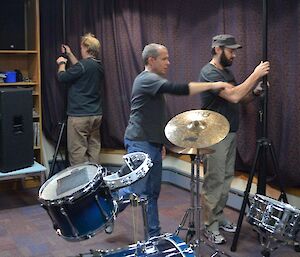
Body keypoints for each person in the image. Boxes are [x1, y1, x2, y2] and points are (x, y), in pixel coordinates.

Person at [119, 43, 232, 238]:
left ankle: (153, 235)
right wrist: (213, 84)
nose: (168, 63)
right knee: (136, 191)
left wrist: (161, 142)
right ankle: (109, 207)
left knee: (152, 193)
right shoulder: (146, 79)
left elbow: (156, 116)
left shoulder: (154, 81)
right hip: (139, 142)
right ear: (151, 60)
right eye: (164, 58)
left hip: (151, 143)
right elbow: (178, 88)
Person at [198, 34, 270, 244]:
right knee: (214, 181)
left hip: (228, 133)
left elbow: (241, 97)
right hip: (214, 136)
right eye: (231, 51)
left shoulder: (226, 72)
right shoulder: (209, 73)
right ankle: (209, 226)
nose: (234, 55)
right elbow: (234, 96)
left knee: (225, 178)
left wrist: (255, 92)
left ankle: (218, 217)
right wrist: (255, 74)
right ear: (218, 49)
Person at [56, 33, 104, 166]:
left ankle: (81, 184)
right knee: (94, 149)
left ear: (87, 48)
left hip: (79, 116)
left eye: (82, 48)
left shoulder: (83, 66)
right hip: (96, 115)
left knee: (77, 153)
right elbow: (81, 68)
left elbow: (62, 77)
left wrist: (61, 64)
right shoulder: (98, 66)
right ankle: (95, 181)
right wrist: (70, 53)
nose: (81, 50)